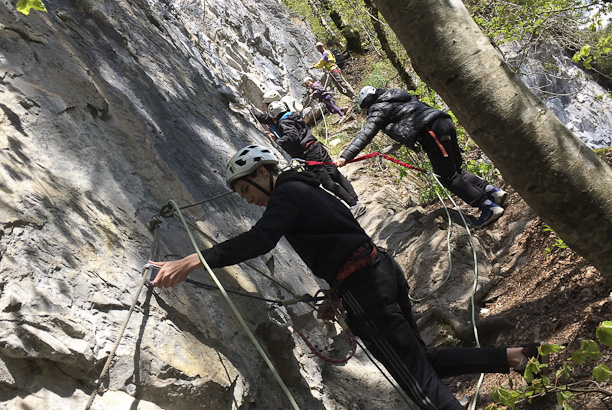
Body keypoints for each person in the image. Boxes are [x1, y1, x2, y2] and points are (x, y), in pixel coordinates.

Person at [151, 145, 544, 410]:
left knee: (416, 381)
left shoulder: (286, 194)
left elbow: (260, 239)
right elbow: (340, 238)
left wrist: (192, 261)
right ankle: (515, 356)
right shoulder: (307, 189)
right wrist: (336, 291)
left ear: (264, 173)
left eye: (245, 188)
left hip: (366, 289)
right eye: (239, 194)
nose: (246, 198)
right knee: (422, 361)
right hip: (378, 272)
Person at [335, 86, 508, 229]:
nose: (367, 113)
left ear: (367, 104)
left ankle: (487, 208)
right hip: (443, 122)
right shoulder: (395, 96)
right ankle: (494, 193)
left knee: (447, 177)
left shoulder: (378, 108)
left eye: (365, 110)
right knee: (455, 170)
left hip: (430, 131)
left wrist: (345, 157)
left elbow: (365, 134)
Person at [267, 100, 365, 217]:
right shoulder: (293, 117)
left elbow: (292, 136)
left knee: (327, 182)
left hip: (309, 153)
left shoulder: (283, 122)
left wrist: (277, 141)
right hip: (316, 146)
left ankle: (353, 204)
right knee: (335, 174)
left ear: (274, 117)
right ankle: (356, 200)